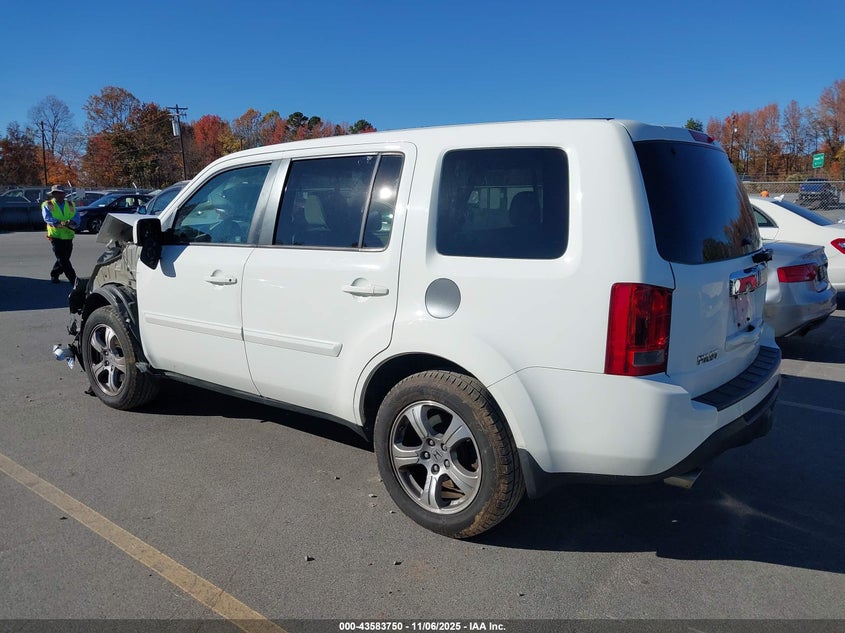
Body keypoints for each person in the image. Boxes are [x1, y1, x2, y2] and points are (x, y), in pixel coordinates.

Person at [42, 184, 78, 284]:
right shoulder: (48, 204)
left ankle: (54, 274)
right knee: (63, 259)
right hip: (55, 235)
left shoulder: (70, 204)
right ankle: (74, 279)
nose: (60, 195)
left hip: (69, 235)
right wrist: (60, 223)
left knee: (64, 258)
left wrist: (73, 222)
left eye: (61, 193)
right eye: (57, 193)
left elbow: (76, 216)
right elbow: (47, 218)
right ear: (53, 194)